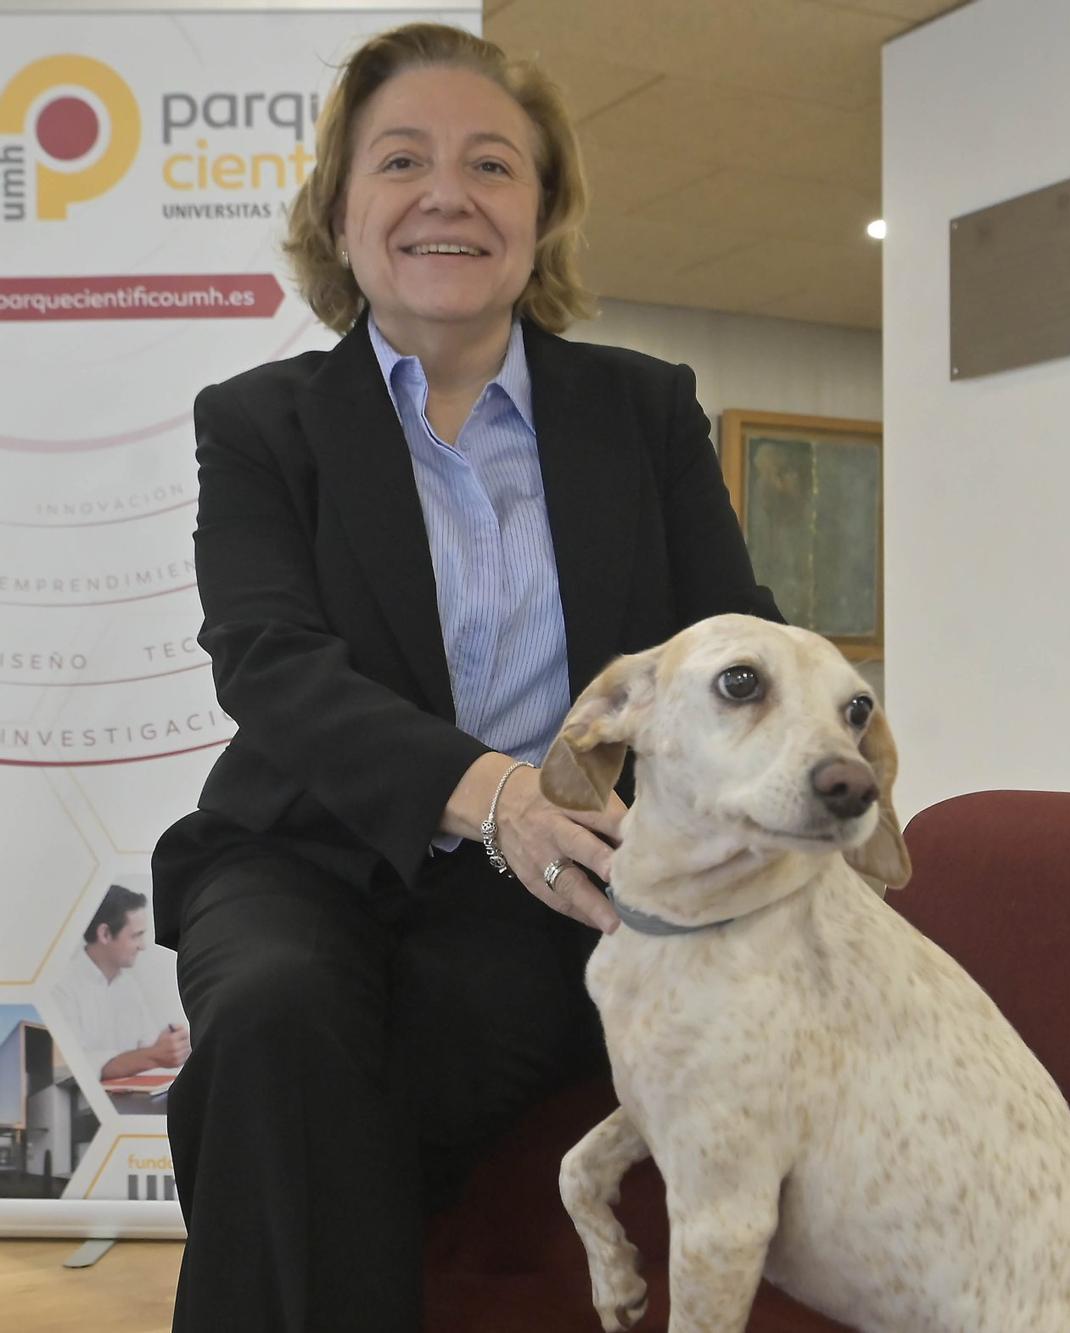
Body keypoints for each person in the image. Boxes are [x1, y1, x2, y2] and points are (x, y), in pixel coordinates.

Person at [150, 21, 781, 1333]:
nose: (447, 194)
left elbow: (736, 644)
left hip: (544, 888)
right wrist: (487, 788)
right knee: (271, 1016)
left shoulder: (642, 410)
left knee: (311, 1087)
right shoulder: (261, 423)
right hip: (298, 850)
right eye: (402, 161)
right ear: (341, 207)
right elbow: (269, 660)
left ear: (542, 211)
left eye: (492, 164)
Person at [52, 884, 190, 1080]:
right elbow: (70, 1065)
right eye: (136, 935)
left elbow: (148, 1046)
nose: (142, 946)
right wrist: (153, 1055)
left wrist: (169, 1045)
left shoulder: (128, 985)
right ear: (105, 934)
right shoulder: (62, 987)